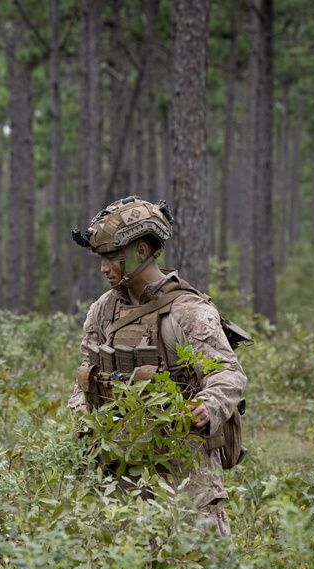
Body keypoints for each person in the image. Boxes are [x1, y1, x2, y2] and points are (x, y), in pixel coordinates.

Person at [68, 195, 247, 537]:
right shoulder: (103, 311)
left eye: (110, 258)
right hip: (123, 471)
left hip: (186, 471)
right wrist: (80, 413)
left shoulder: (187, 311)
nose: (104, 268)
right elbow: (86, 374)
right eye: (101, 259)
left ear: (140, 250)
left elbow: (228, 373)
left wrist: (208, 406)